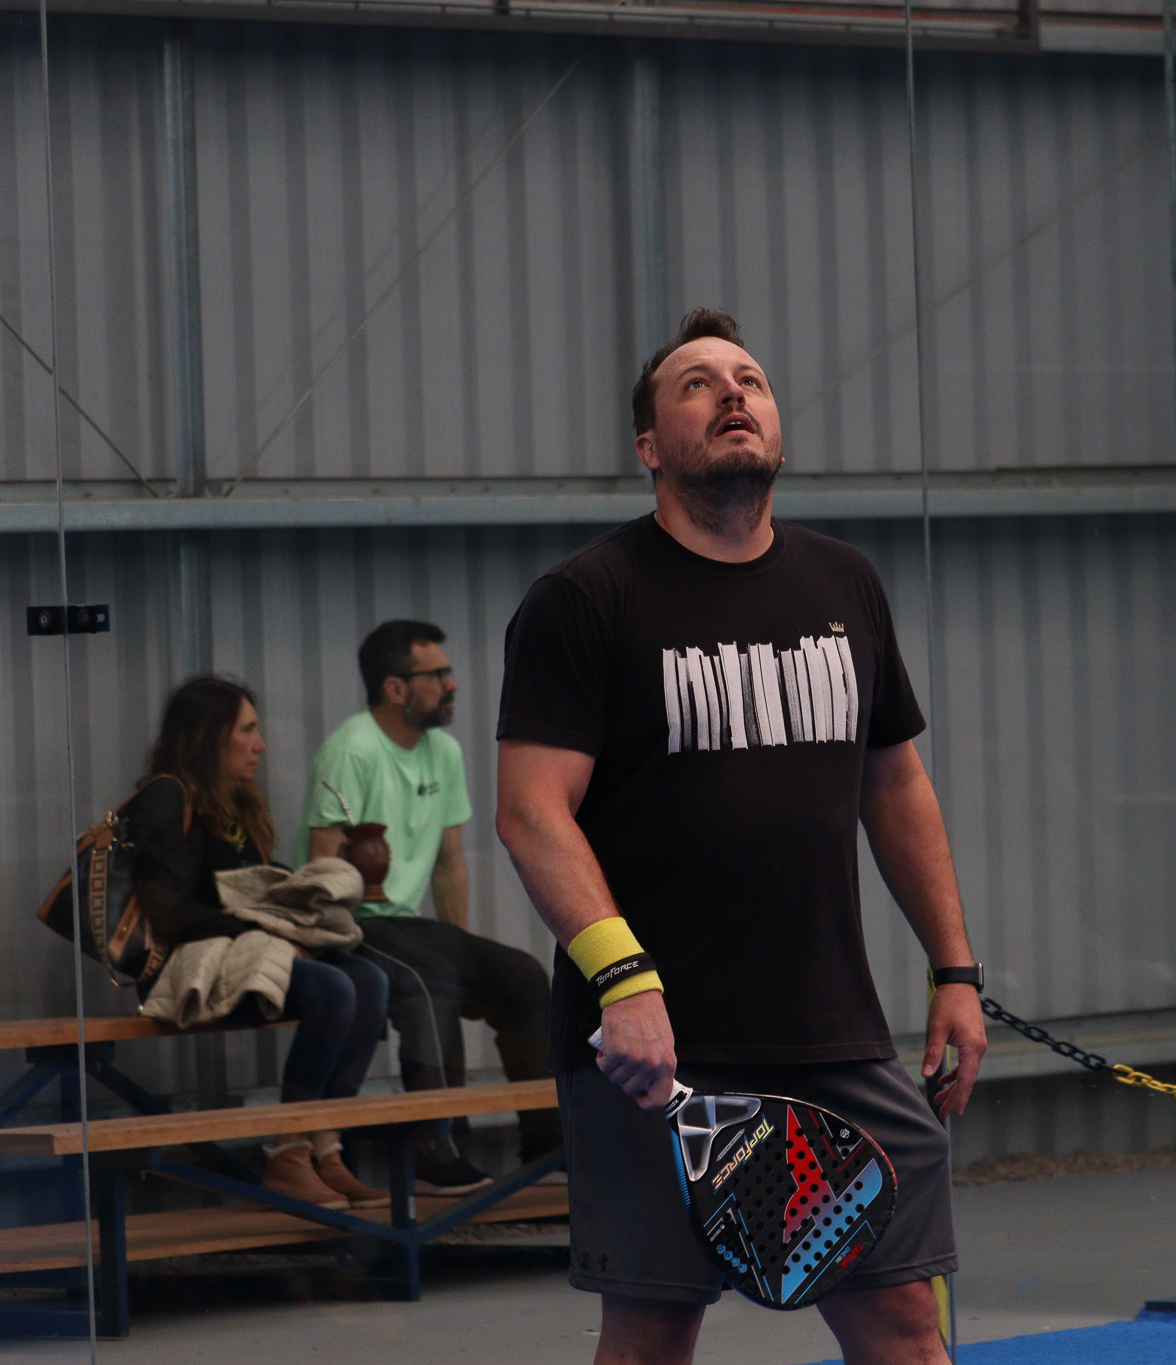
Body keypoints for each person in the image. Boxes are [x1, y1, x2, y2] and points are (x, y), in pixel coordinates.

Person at [494, 306, 988, 1365]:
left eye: (750, 380)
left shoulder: (844, 582)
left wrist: (954, 968)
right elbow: (531, 811)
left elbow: (895, 781)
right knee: (652, 1333)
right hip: (655, 1047)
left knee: (906, 1323)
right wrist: (623, 981)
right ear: (648, 447)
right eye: (697, 383)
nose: (731, 392)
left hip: (833, 1032)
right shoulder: (585, 598)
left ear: (774, 428)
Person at [297, 621, 560, 1195]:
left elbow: (448, 863)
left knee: (523, 975)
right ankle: (435, 1151)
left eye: (449, 672)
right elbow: (320, 864)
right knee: (426, 982)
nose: (452, 684)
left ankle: (549, 1149)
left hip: (409, 924)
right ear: (395, 688)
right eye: (437, 674)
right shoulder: (351, 750)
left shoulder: (444, 751)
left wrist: (459, 952)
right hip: (351, 922)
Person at [126, 675, 392, 1212]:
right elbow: (167, 912)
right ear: (210, 735)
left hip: (240, 952)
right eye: (247, 730)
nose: (261, 745)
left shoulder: (238, 804)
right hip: (188, 966)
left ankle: (325, 1142)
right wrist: (267, 932)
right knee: (332, 989)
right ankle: (289, 1153)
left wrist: (306, 896)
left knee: (369, 979)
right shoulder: (166, 797)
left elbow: (251, 890)